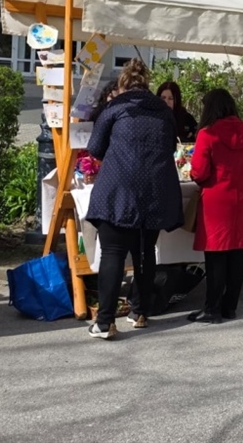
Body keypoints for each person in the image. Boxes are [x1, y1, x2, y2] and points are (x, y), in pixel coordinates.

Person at [85, 59, 183, 339]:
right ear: (147, 84)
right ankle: (139, 312)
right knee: (145, 250)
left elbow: (95, 148)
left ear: (123, 84)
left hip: (119, 187)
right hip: (155, 190)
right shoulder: (163, 112)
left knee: (113, 252)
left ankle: (105, 322)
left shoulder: (116, 107)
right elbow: (168, 146)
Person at [187, 89, 243, 323]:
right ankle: (230, 307)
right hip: (242, 197)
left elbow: (199, 171)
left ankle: (212, 309)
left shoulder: (208, 134)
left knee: (216, 256)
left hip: (217, 200)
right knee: (237, 254)